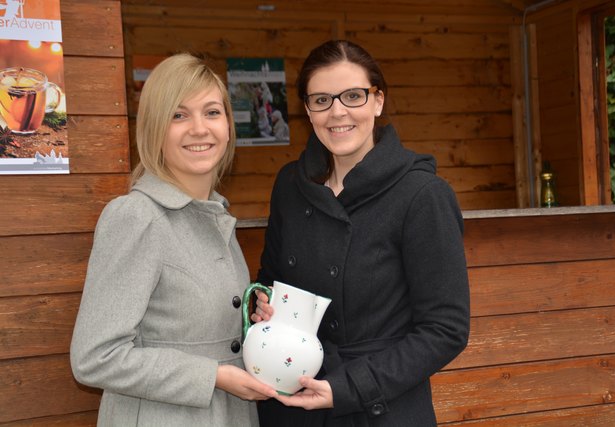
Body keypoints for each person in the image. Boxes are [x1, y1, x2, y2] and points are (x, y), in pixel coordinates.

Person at [252, 40, 470, 426]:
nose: (338, 112)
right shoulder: (290, 184)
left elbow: (445, 330)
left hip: (380, 407)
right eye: (321, 100)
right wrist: (264, 307)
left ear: (378, 101)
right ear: (307, 110)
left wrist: (350, 387)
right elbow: (270, 279)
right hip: (293, 401)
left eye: (353, 96)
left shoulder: (422, 195)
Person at [70, 53, 276, 427]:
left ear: (229, 126)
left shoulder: (215, 215)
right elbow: (95, 357)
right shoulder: (135, 217)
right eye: (179, 115)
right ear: (154, 128)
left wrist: (249, 319)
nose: (200, 128)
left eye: (212, 112)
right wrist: (214, 375)